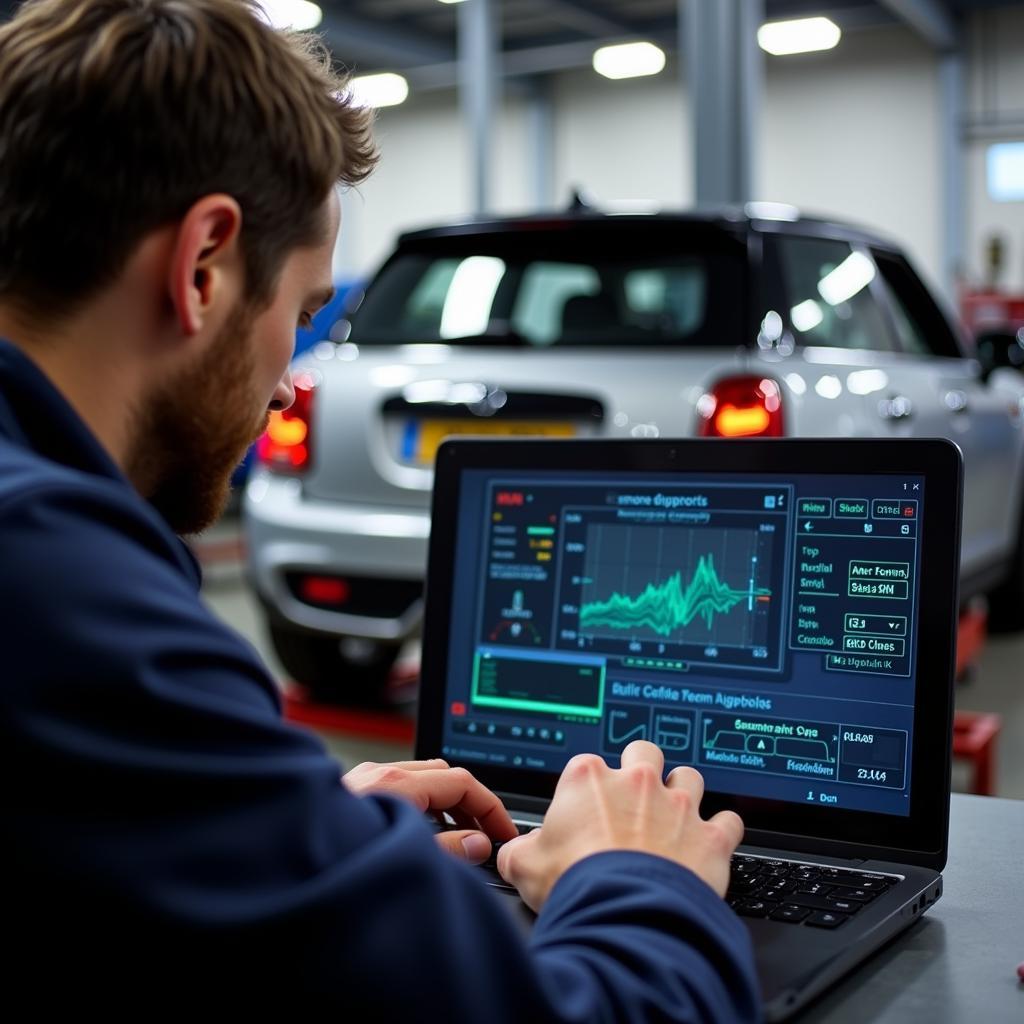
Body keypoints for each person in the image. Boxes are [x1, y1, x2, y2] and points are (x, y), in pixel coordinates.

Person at [0, 0, 760, 1017]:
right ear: (202, 266)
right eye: (305, 312)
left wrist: (278, 831)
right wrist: (640, 875)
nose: (285, 383)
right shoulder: (64, 598)